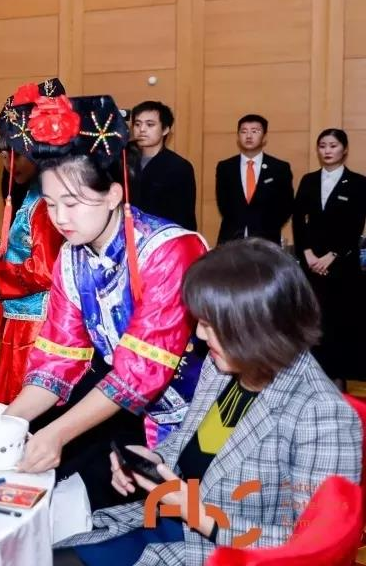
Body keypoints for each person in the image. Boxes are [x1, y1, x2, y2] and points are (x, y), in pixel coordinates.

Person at [56, 239, 361, 565]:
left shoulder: (321, 414)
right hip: (164, 522)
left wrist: (197, 513)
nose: (200, 335)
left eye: (210, 324)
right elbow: (196, 443)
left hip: (222, 553)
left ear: (255, 325)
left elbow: (308, 547)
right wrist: (155, 462)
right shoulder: (226, 366)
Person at [0, 94, 208, 513]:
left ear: (114, 195)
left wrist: (57, 434)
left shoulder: (169, 251)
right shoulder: (71, 258)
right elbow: (57, 359)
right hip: (134, 417)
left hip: (207, 420)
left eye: (72, 203)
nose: (60, 218)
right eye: (51, 204)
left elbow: (139, 372)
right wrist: (7, 423)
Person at [0, 80, 66, 403]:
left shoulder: (47, 199)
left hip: (38, 323)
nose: (9, 166)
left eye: (14, 156)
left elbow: (45, 270)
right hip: (23, 317)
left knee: (25, 402)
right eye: (4, 159)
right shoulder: (35, 193)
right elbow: (27, 249)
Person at [292, 128, 366, 385]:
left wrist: (333, 255)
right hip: (311, 263)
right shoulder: (309, 180)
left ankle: (339, 381)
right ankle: (312, 379)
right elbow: (298, 219)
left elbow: (356, 225)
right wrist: (308, 253)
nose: (327, 150)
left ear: (344, 149)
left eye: (333, 146)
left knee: (340, 323)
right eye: (323, 145)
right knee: (312, 321)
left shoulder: (358, 182)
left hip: (342, 265)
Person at [215, 114, 294, 245]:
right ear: (238, 137)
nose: (249, 136)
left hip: (267, 241)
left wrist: (267, 225)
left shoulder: (279, 168)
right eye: (244, 131)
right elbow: (223, 204)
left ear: (264, 137)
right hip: (231, 240)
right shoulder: (225, 167)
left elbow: (286, 206)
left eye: (255, 131)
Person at [129, 101, 197, 231]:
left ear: (165, 129)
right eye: (137, 124)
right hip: (125, 235)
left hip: (162, 236)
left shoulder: (179, 167)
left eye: (150, 124)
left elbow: (184, 216)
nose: (142, 129)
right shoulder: (123, 160)